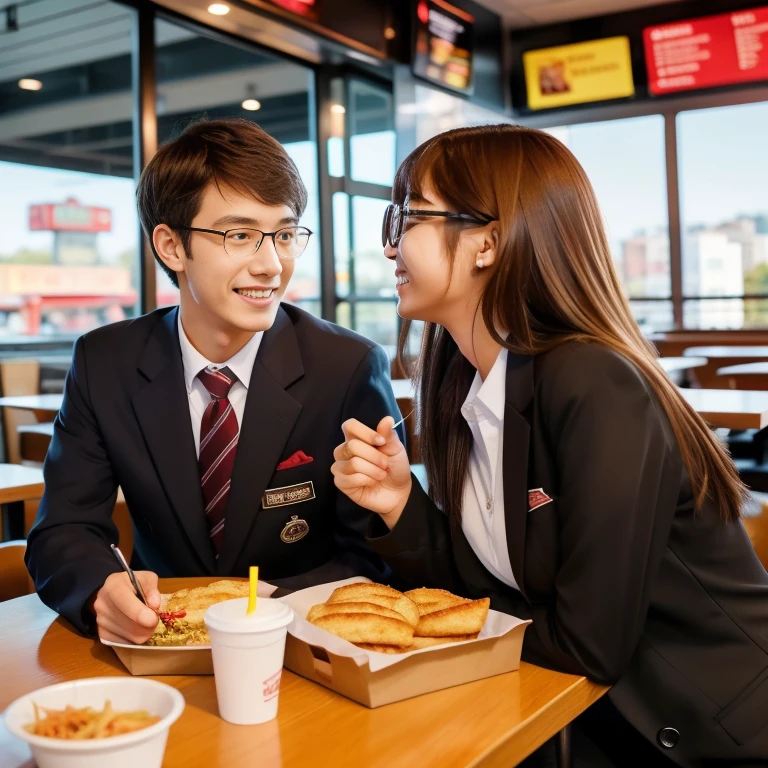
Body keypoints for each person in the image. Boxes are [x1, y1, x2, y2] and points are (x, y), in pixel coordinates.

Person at [331, 124, 768, 767]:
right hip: (585, 722)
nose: (390, 243)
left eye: (409, 215)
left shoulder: (591, 381)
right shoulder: (471, 391)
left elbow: (586, 645)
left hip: (713, 737)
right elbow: (479, 594)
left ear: (488, 241)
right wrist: (400, 501)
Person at [26, 118, 402, 646]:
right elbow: (64, 529)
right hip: (159, 640)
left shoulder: (345, 366)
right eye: (241, 235)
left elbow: (374, 552)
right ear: (171, 247)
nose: (272, 264)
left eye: (286, 234)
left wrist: (258, 613)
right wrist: (98, 593)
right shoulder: (105, 361)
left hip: (299, 648)